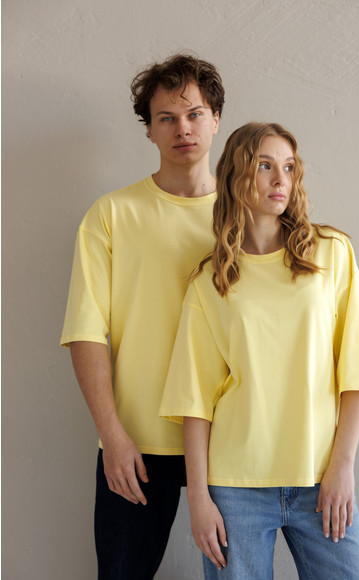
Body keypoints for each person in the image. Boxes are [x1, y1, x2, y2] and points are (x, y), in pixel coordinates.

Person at [159, 122, 359, 580]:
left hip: (320, 478)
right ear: (236, 176)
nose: (280, 179)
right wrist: (198, 499)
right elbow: (195, 402)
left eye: (288, 167)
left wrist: (343, 466)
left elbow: (357, 372)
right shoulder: (211, 282)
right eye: (264, 166)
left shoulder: (331, 254)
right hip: (235, 488)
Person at [60, 53, 225, 579]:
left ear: (215, 119)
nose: (183, 129)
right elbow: (86, 332)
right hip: (136, 442)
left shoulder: (246, 218)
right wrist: (112, 434)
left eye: (194, 114)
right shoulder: (111, 215)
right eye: (166, 118)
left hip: (230, 440)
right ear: (149, 130)